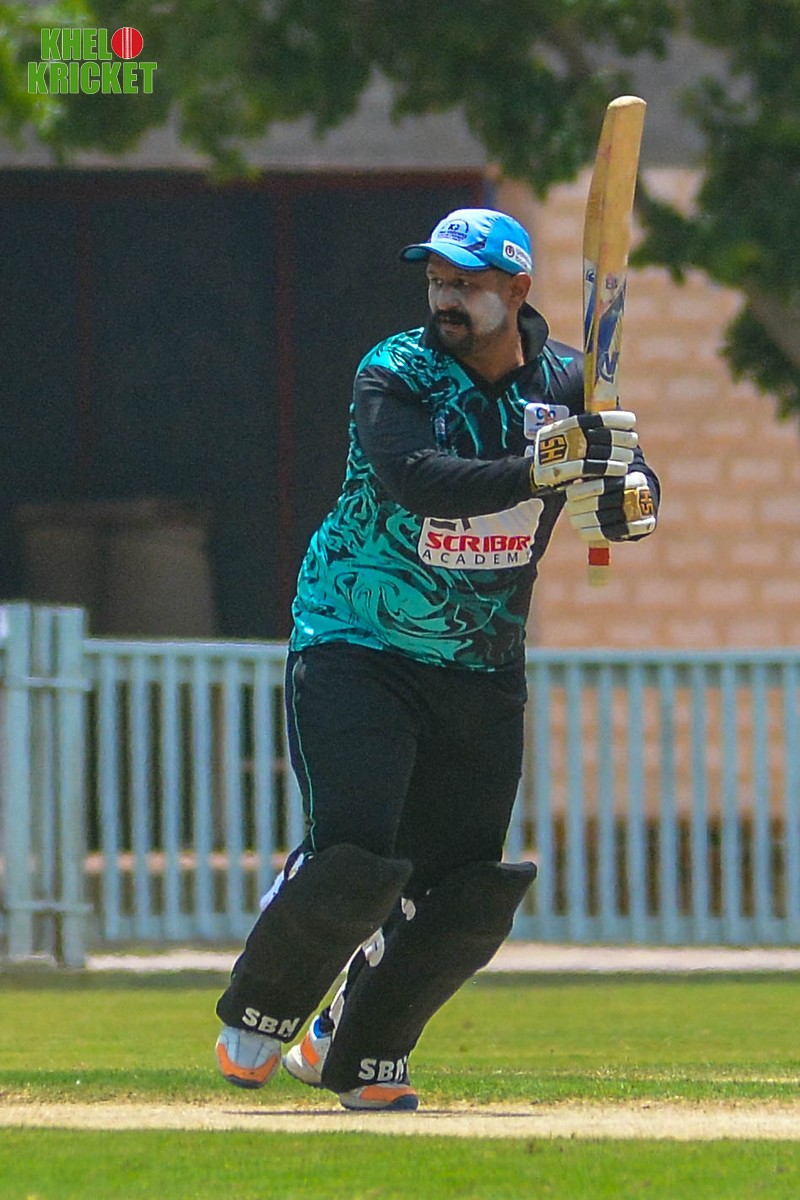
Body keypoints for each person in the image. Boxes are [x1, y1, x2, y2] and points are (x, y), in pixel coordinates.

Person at [214, 207, 659, 1112]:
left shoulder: (569, 382)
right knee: (357, 856)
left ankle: (360, 1046)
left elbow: (629, 486)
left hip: (483, 661)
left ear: (517, 290)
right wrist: (544, 471)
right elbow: (415, 478)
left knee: (466, 891)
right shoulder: (396, 371)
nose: (446, 298)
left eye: (466, 283)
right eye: (437, 281)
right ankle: (265, 1006)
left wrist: (627, 498)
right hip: (358, 636)